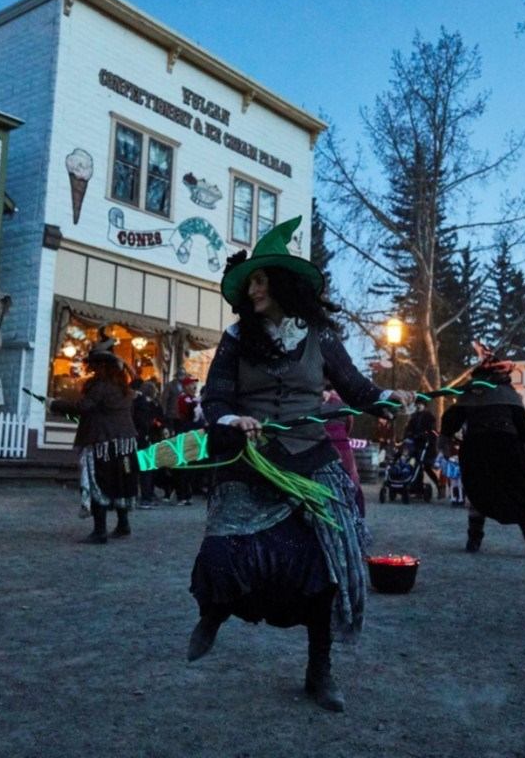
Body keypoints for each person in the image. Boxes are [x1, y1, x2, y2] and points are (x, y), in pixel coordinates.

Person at [187, 216, 413, 713]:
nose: (254, 288)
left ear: (284, 283)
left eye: (262, 280)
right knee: (223, 556)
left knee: (324, 567)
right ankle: (214, 612)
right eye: (251, 283)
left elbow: (356, 387)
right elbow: (215, 393)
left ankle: (319, 669)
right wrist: (231, 417)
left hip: (312, 463)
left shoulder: (321, 334)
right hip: (253, 463)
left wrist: (385, 398)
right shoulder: (235, 336)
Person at [440, 342, 525, 555]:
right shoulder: (508, 394)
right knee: (517, 492)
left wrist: (446, 437)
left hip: (479, 448)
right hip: (506, 448)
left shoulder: (473, 393)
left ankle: (474, 541)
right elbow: (524, 427)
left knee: (479, 493)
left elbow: (452, 418)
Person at [49, 337, 139, 543]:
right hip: (125, 443)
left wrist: (56, 404)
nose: (92, 369)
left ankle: (100, 531)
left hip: (102, 442)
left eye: (95, 365)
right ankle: (123, 524)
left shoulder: (100, 386)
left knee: (99, 482)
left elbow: (83, 408)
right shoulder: (123, 388)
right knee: (120, 483)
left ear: (103, 366)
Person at [322, 385, 364, 515]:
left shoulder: (315, 405)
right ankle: (356, 510)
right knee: (351, 475)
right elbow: (349, 425)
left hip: (325, 443)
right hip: (342, 443)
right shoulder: (343, 405)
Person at [131, 379, 163, 508]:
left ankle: (141, 495)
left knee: (139, 469)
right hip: (145, 438)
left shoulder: (137, 402)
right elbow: (145, 422)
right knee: (146, 469)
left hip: (139, 438)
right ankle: (146, 496)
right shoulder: (145, 404)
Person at [173, 376, 203, 505]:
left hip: (194, 433)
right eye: (191, 384)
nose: (194, 386)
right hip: (186, 433)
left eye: (194, 384)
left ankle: (188, 492)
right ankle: (182, 494)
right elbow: (188, 415)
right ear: (185, 386)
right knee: (184, 466)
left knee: (191, 466)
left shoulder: (193, 399)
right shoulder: (184, 399)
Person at [404, 399, 442, 498]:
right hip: (416, 444)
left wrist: (425, 435)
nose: (419, 406)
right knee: (416, 466)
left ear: (424, 405)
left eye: (420, 404)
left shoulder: (429, 417)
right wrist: (408, 435)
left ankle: (438, 485)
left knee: (426, 466)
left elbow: (432, 431)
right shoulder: (414, 417)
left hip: (427, 445)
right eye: (418, 404)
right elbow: (409, 428)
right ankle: (416, 488)